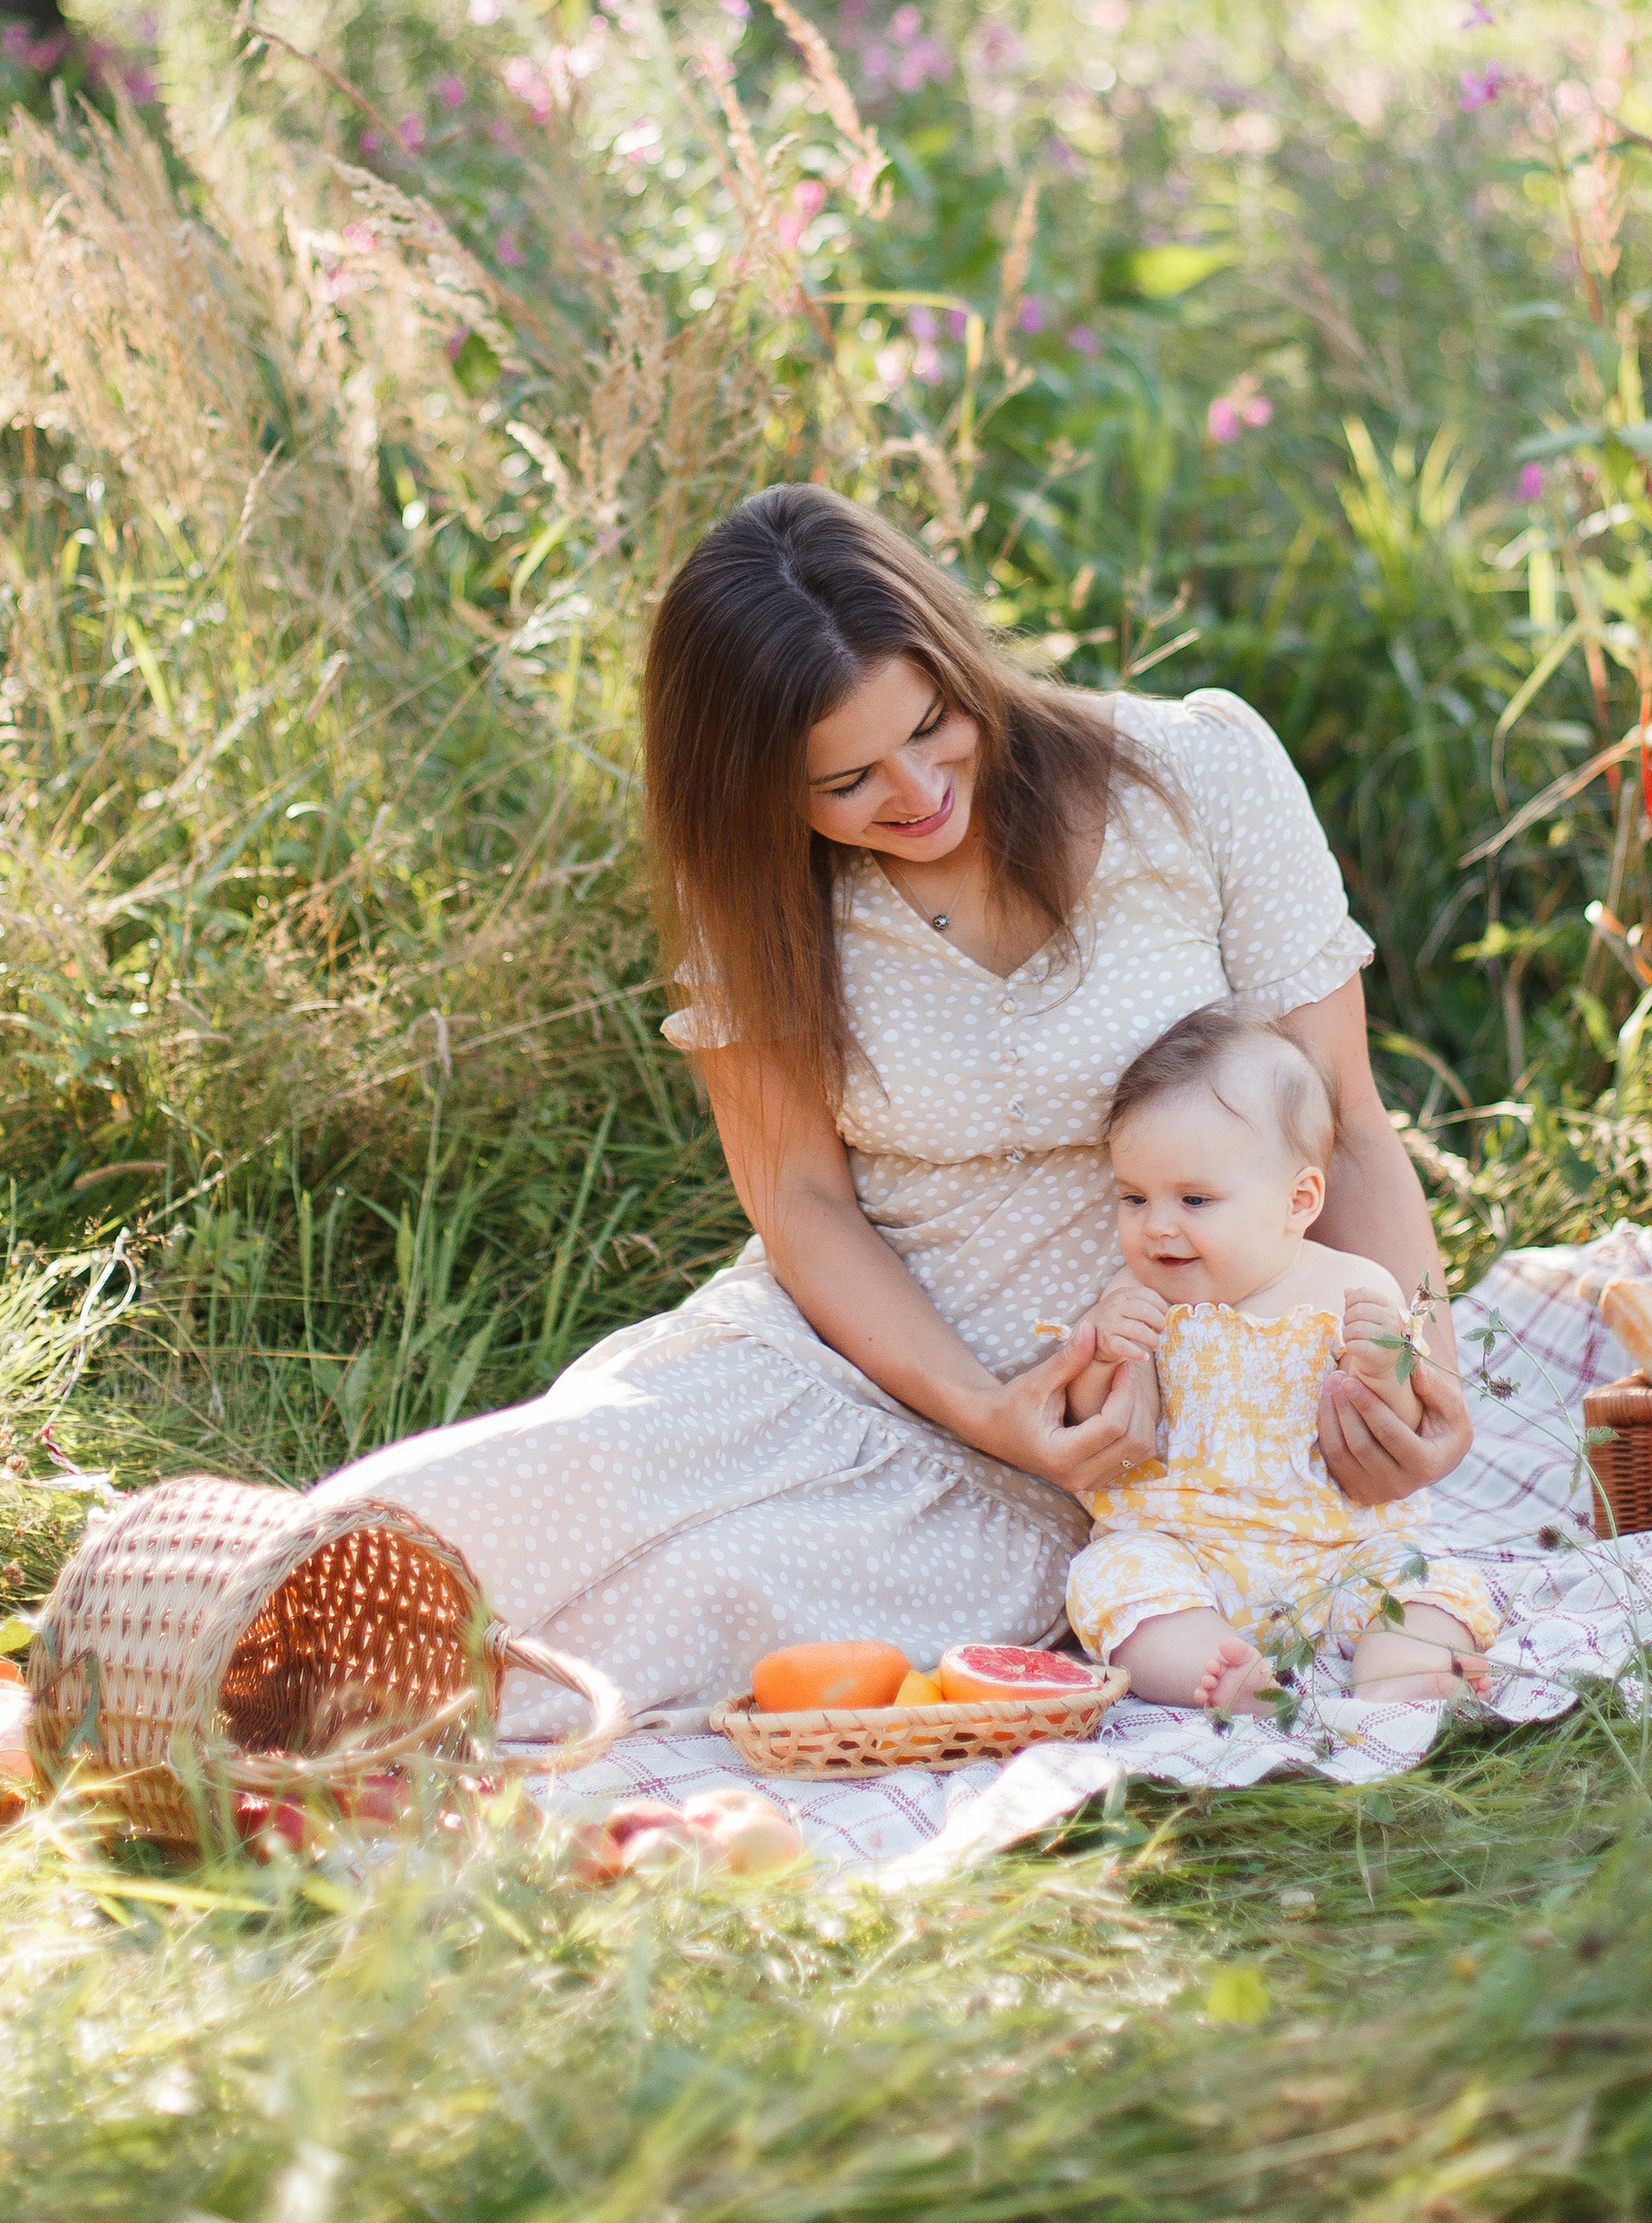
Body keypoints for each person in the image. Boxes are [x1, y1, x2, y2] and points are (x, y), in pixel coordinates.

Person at [313, 485, 1473, 1729]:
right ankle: (199, 1646)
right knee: (563, 1468)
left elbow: (1346, 1121)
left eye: (933, 726)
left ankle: (343, 1739)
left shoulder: (1193, 774)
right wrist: (980, 1407)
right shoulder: (759, 893)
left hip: (1118, 1453)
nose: (917, 791)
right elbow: (802, 1201)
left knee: (713, 1598)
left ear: (958, 662)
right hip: (845, 1356)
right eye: (846, 781)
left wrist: (1422, 1381)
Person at [1063, 1003, 1497, 1712]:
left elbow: (1407, 1426)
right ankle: (1214, 1670)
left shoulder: (1355, 1289)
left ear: (1298, 1201)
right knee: (1114, 1579)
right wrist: (1102, 1352)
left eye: (1195, 1199)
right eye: (1133, 1197)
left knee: (1423, 1584)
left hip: (1341, 1546)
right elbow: (1094, 1422)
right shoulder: (1137, 1296)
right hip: (1186, 1546)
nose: (1157, 1226)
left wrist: (1387, 1371)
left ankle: (1409, 1669)